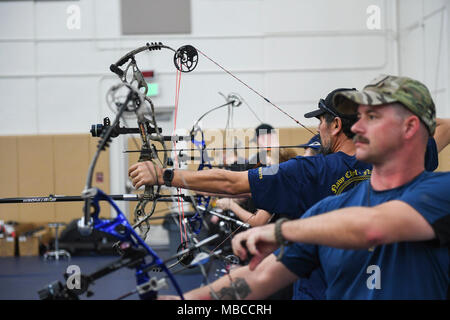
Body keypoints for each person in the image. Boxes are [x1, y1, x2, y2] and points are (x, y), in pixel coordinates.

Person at [128, 86, 445, 299]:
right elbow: (258, 278)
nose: (361, 129)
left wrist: (165, 174)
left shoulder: (435, 192)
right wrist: (185, 300)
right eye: (361, 121)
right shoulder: (324, 212)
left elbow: (372, 226)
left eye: (374, 121)